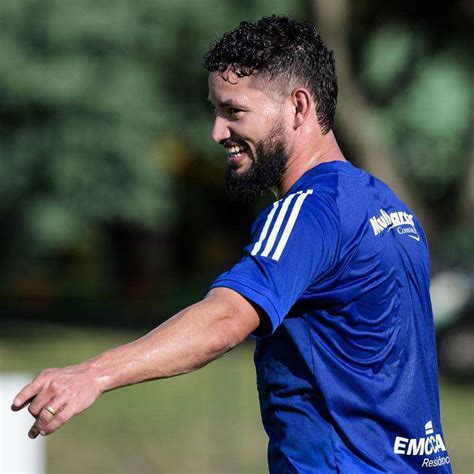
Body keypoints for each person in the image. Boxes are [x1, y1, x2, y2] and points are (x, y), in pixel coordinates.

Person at [12, 16, 451, 473]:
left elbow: (224, 319)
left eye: (234, 111)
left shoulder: (309, 210)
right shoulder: (386, 206)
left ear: (299, 107)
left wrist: (92, 374)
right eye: (215, 111)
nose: (217, 132)